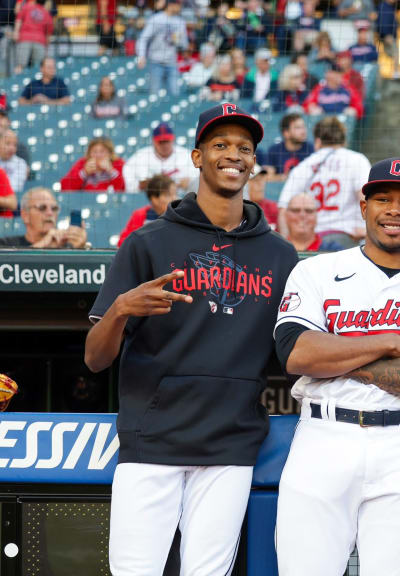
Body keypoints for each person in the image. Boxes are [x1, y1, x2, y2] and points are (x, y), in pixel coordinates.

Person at [84, 103, 297, 576]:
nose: (233, 155)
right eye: (220, 145)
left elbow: (296, 356)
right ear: (197, 157)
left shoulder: (281, 255)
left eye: (244, 147)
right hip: (152, 440)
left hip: (230, 443)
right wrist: (119, 310)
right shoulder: (148, 242)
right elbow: (95, 358)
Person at [274, 156, 400, 575]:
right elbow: (298, 355)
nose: (394, 210)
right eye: (382, 198)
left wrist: (337, 355)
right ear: (363, 205)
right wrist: (387, 343)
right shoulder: (315, 271)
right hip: (322, 437)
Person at [277, 116, 371, 246]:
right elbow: (365, 196)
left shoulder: (304, 166)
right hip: (346, 237)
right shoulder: (357, 160)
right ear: (343, 140)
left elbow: (283, 208)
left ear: (317, 141)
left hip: (313, 242)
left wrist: (285, 244)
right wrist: (367, 227)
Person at [122, 122, 199, 194]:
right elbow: (129, 182)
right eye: (161, 142)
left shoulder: (186, 155)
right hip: (149, 201)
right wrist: (138, 186)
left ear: (173, 139)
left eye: (167, 141)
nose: (164, 145)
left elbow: (199, 181)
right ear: (153, 141)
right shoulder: (140, 157)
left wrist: (190, 184)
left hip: (181, 200)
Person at [0, 187, 87, 247]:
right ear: (25, 215)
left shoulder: (66, 245)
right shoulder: (6, 244)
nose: (50, 213)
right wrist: (45, 244)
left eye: (54, 208)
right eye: (42, 208)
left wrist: (79, 248)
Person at [137, 0, 188, 96]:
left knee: (175, 94)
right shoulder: (156, 19)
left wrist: (179, 40)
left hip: (172, 62)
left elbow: (184, 45)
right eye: (178, 4)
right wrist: (141, 56)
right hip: (156, 61)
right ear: (171, 4)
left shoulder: (180, 21)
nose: (180, 7)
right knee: (154, 94)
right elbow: (143, 38)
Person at [117, 174, 177, 247]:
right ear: (154, 199)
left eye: (175, 194)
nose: (174, 198)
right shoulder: (140, 215)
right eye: (168, 195)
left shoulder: (178, 216)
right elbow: (123, 242)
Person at [60, 137, 126, 192]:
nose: (98, 155)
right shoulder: (82, 163)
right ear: (89, 153)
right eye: (95, 151)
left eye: (102, 151)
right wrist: (84, 172)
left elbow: (125, 188)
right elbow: (65, 187)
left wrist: (111, 171)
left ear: (110, 153)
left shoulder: (119, 163)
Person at [259, 113, 313, 180]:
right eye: (298, 128)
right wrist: (284, 178)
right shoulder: (274, 150)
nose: (303, 131)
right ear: (286, 133)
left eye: (304, 126)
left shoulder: (311, 149)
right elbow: (266, 177)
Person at [13, 0, 51, 74]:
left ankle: (16, 82)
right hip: (39, 41)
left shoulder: (27, 7)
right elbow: (48, 34)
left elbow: (18, 19)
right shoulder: (46, 13)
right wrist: (46, 48)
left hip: (25, 39)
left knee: (20, 66)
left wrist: (16, 32)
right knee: (38, 68)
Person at [0, 129, 27, 194]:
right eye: (8, 143)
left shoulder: (20, 163)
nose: (12, 148)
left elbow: (16, 187)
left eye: (15, 145)